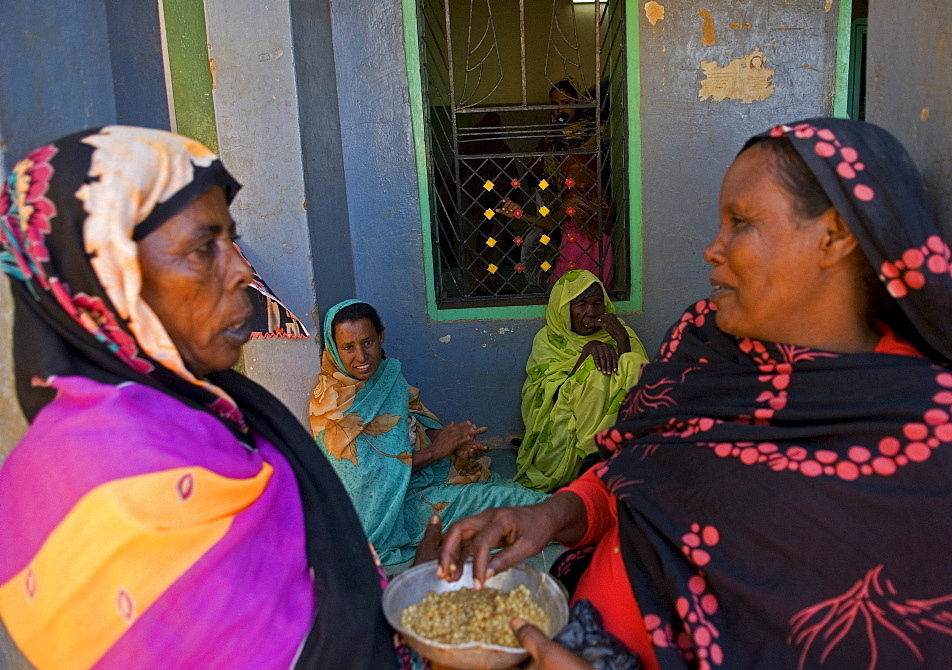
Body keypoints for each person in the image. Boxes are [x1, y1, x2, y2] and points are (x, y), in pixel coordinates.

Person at [437, 118, 952, 668]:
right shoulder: (705, 345)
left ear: (834, 237)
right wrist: (557, 513)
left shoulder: (930, 435)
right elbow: (641, 474)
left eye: (741, 223)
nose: (713, 248)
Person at [0, 126, 410, 668]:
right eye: (203, 247)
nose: (241, 269)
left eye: (230, 241)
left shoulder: (204, 405)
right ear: (108, 277)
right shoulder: (108, 481)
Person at [310, 299, 549, 568]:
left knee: (498, 496)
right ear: (333, 349)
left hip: (420, 483)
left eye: (368, 342)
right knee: (503, 503)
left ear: (381, 336)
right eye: (348, 348)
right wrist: (438, 451)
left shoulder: (387, 376)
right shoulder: (331, 407)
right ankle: (574, 517)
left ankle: (572, 514)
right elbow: (369, 481)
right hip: (387, 516)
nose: (362, 357)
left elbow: (418, 423)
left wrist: (453, 446)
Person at [515, 270, 647, 492]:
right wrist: (586, 354)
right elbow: (550, 398)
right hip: (565, 433)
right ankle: (595, 462)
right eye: (581, 305)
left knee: (634, 362)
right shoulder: (549, 340)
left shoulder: (620, 332)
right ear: (565, 310)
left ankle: (620, 458)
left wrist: (622, 341)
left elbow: (637, 387)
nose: (591, 312)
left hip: (616, 429)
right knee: (593, 372)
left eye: (597, 303)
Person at [502, 79, 614, 287]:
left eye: (566, 103)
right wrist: (545, 144)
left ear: (579, 103)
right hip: (558, 208)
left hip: (590, 213)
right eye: (555, 105)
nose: (560, 110)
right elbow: (532, 177)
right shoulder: (552, 139)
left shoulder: (599, 132)